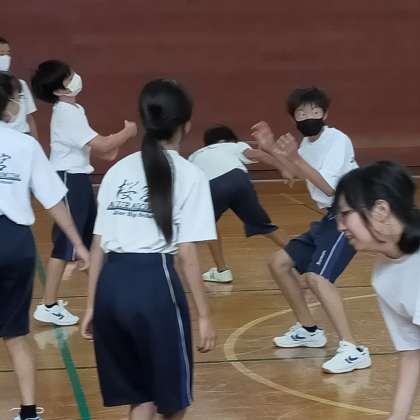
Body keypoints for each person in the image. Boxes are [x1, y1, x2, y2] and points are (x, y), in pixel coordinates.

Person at [81, 79, 217, 420]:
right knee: (173, 400)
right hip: (154, 286)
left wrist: (92, 304)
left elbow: (98, 244)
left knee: (140, 395)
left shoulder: (116, 171)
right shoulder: (190, 175)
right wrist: (204, 315)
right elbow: (186, 253)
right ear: (186, 125)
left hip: (111, 288)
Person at [251, 87, 371, 373]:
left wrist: (295, 157)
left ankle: (353, 349)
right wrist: (269, 148)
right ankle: (309, 330)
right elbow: (292, 173)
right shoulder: (305, 145)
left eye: (315, 111)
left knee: (318, 278)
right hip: (329, 217)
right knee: (279, 263)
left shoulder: (337, 139)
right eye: (301, 112)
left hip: (351, 214)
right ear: (293, 117)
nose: (308, 116)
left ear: (325, 114)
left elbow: (328, 187)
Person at [0, 71, 89, 420]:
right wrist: (78, 244)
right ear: (9, 105)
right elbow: (53, 201)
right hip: (15, 244)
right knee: (16, 334)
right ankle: (28, 413)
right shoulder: (25, 145)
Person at [30, 60, 137, 326]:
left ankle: (103, 297)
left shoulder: (76, 110)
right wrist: (127, 132)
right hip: (68, 180)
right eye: (69, 78)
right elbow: (103, 146)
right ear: (58, 90)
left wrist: (112, 143)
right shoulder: (66, 113)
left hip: (79, 179)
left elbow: (101, 148)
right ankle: (48, 305)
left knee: (91, 242)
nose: (76, 78)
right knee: (65, 244)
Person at [335, 161, 420, 420]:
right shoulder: (383, 276)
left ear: (381, 209)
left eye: (345, 214)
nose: (340, 226)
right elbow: (411, 351)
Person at [189, 124, 288, 283]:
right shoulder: (235, 145)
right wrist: (283, 168)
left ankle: (222, 271)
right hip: (239, 180)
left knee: (209, 227)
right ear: (231, 138)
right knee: (265, 226)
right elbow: (258, 154)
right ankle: (303, 258)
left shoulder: (196, 155)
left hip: (211, 186)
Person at [0, 37, 38, 138]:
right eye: (1, 54)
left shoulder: (21, 84)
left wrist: (36, 142)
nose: (6, 57)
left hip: (24, 136)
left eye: (8, 54)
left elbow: (29, 117)